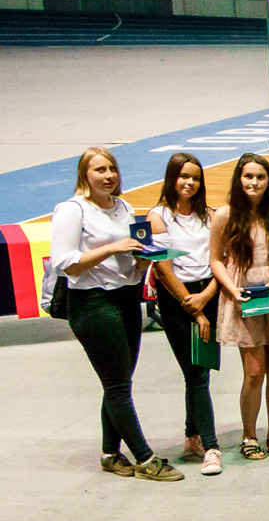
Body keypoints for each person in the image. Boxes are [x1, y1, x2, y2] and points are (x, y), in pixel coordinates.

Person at [52, 147, 182, 481]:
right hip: (92, 303)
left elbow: (130, 262)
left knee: (118, 382)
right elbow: (64, 262)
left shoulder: (123, 206)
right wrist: (112, 248)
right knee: (118, 386)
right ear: (85, 175)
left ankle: (110, 453)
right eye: (99, 170)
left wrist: (146, 257)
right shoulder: (72, 211)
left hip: (126, 298)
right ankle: (145, 458)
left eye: (112, 169)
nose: (108, 175)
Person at [210, 152, 269, 463]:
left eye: (260, 177)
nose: (254, 182)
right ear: (239, 179)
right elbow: (216, 260)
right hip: (243, 297)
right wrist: (231, 289)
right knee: (254, 371)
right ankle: (250, 435)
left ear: (268, 181)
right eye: (248, 176)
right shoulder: (224, 215)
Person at [151, 152, 221, 475]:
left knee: (199, 369)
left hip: (208, 294)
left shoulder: (211, 215)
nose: (189, 183)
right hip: (177, 300)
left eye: (195, 177)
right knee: (196, 374)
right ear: (171, 179)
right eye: (183, 177)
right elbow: (163, 270)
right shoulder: (159, 216)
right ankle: (211, 446)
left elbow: (222, 261)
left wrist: (207, 298)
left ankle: (192, 437)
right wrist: (192, 307)